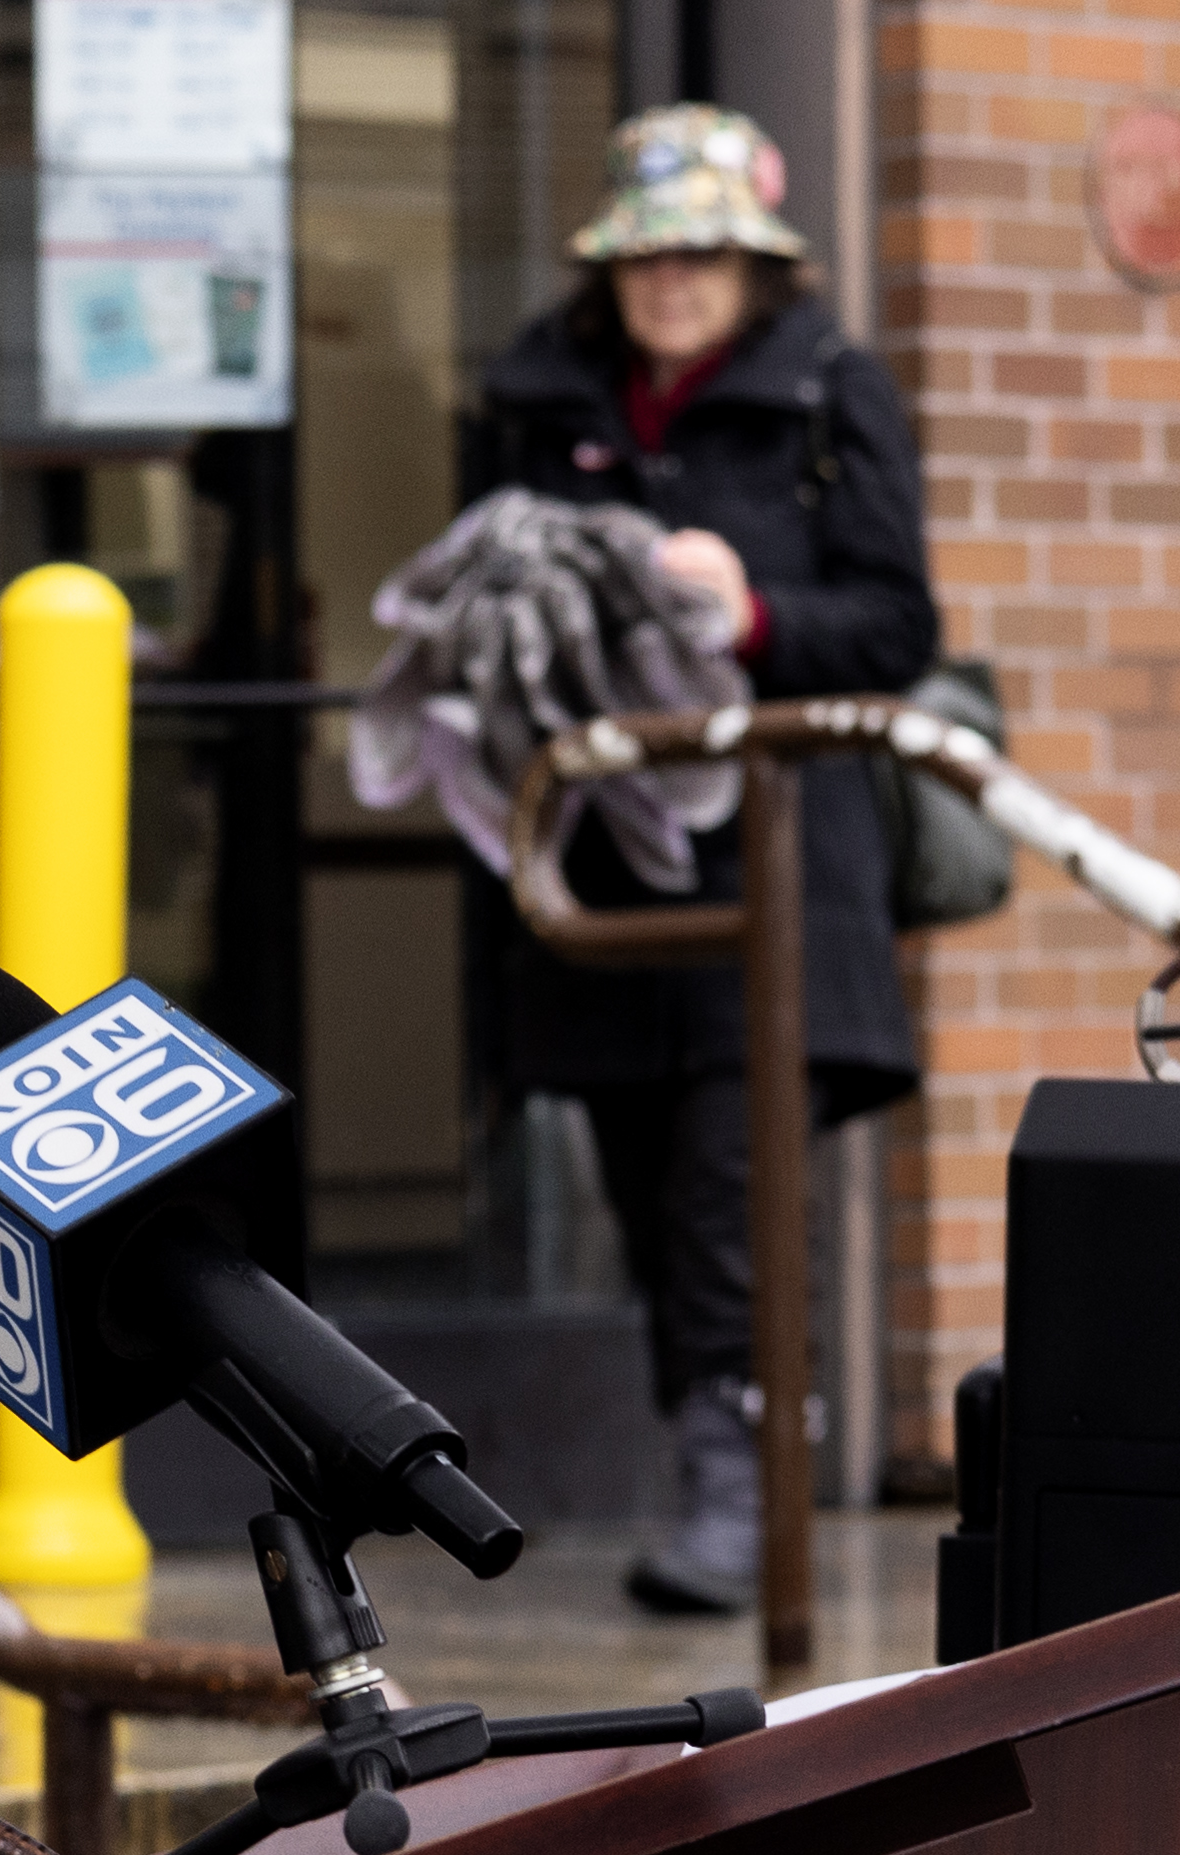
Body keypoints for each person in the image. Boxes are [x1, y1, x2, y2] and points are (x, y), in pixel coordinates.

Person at [472, 104, 941, 1617]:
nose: (671, 281)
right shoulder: (539, 399)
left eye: (701, 255)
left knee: (737, 1192)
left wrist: (746, 614)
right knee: (643, 1183)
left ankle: (749, 1487)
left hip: (781, 869)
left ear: (754, 265)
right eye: (647, 256)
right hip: (606, 873)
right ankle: (715, 1472)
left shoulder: (831, 394)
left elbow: (895, 624)